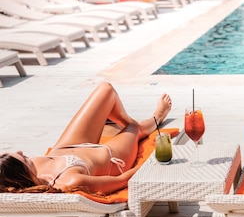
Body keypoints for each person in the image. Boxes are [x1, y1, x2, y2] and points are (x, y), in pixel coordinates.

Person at [0, 82, 172, 195]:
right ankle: (155, 119)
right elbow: (122, 180)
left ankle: (132, 126)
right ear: (22, 173)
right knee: (132, 128)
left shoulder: (33, 170)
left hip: (67, 147)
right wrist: (154, 163)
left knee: (105, 90)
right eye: (22, 158)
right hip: (110, 157)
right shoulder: (68, 181)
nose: (21, 151)